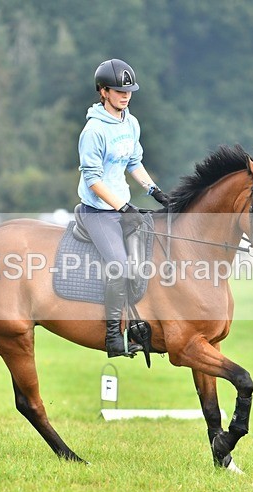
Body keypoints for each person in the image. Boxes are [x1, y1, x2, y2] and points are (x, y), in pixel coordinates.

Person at [77, 58, 169, 358]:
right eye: (118, 90)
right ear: (103, 91)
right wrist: (123, 206)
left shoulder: (130, 122)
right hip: (98, 212)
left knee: (147, 260)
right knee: (118, 264)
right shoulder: (93, 131)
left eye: (128, 90)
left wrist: (154, 191)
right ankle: (114, 337)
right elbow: (92, 180)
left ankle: (140, 325)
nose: (125, 95)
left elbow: (133, 162)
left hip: (121, 207)